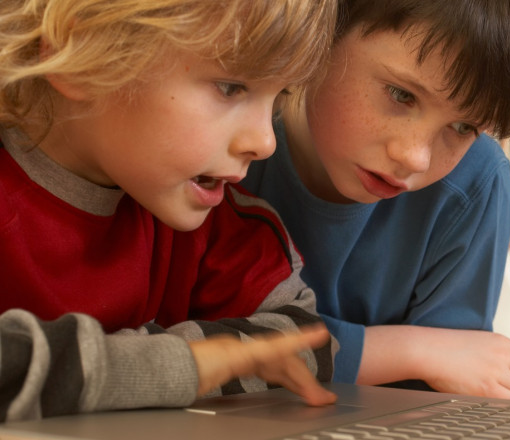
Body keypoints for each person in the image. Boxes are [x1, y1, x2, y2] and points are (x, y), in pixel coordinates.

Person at [0, 0, 338, 422]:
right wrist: (182, 365)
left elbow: (304, 340)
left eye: (277, 99)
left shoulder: (215, 218)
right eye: (231, 86)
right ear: (81, 53)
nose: (266, 141)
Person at [242, 0, 510, 399]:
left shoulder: (475, 183)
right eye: (400, 94)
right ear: (322, 33)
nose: (415, 157)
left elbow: (450, 381)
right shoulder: (232, 140)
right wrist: (411, 349)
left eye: (463, 126)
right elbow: (196, 344)